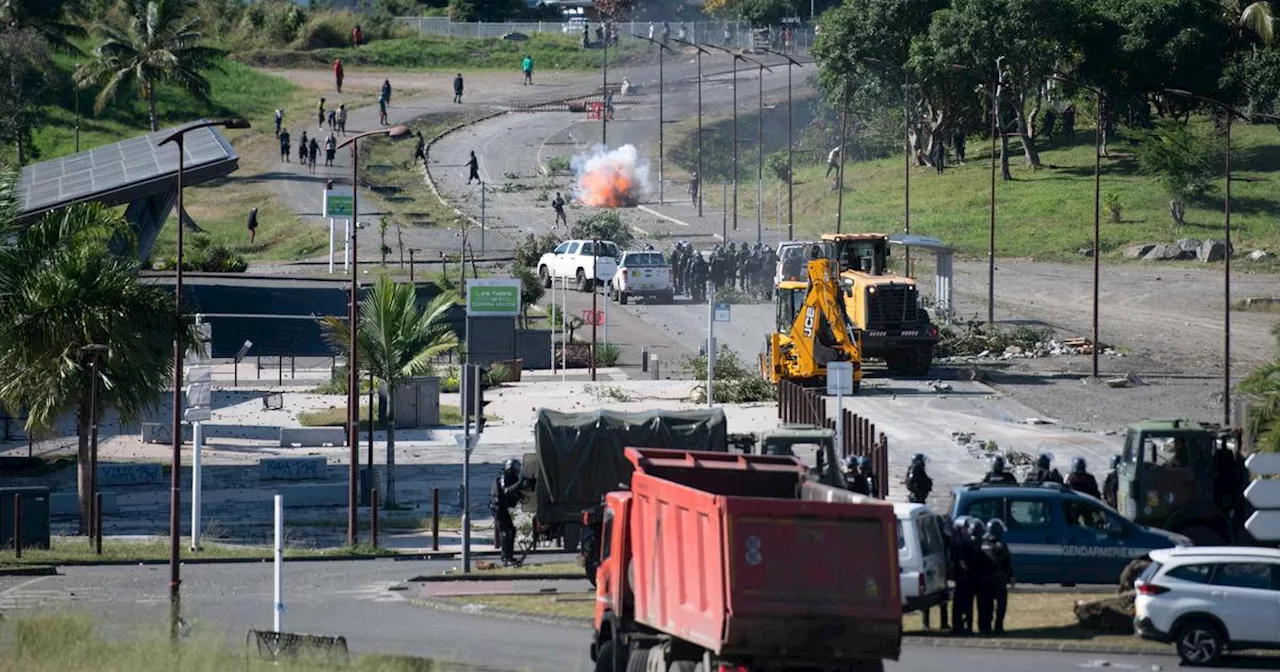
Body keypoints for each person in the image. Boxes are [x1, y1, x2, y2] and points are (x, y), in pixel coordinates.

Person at [977, 519, 1013, 635]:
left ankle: (984, 628)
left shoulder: (981, 544)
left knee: (985, 606)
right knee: (1000, 606)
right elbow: (1007, 564)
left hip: (983, 581)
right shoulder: (1001, 546)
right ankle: (998, 627)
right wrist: (1010, 577)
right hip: (998, 581)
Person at [490, 459, 526, 566]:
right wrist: (519, 484)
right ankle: (506, 558)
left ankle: (509, 556)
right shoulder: (503, 478)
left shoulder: (512, 478)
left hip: (502, 508)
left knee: (512, 530)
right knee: (506, 532)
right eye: (516, 469)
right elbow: (506, 490)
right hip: (498, 508)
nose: (517, 471)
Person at [951, 516, 978, 634]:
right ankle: (960, 626)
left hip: (965, 578)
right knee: (961, 604)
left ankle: (965, 626)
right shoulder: (961, 544)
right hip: (963, 578)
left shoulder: (963, 543)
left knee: (964, 604)